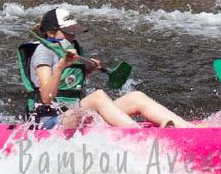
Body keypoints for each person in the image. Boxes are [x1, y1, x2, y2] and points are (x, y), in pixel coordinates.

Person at [21, 7, 193, 129]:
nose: (73, 36)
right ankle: (139, 137)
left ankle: (187, 128)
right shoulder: (43, 52)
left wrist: (85, 70)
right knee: (98, 97)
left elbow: (67, 87)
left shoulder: (69, 49)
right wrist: (60, 67)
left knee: (136, 97)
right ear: (51, 33)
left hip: (71, 115)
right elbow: (46, 97)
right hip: (48, 122)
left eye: (74, 32)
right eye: (68, 32)